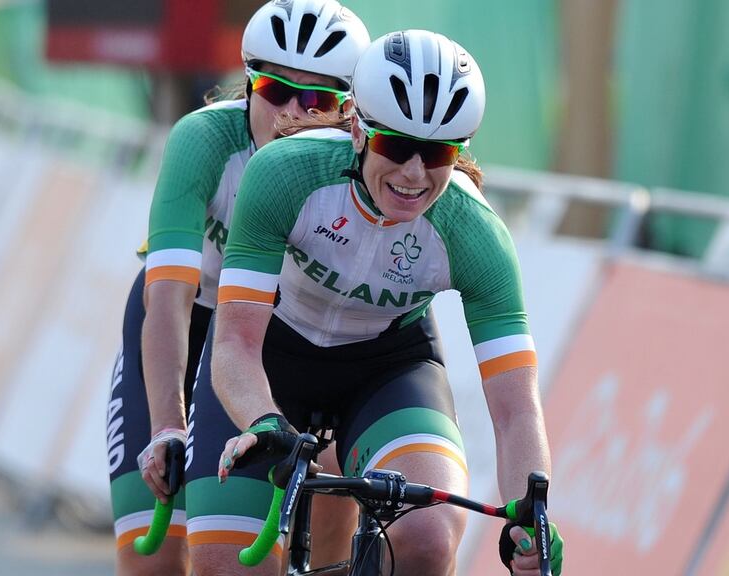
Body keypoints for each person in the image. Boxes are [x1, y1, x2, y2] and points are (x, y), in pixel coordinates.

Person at [190, 30, 564, 575]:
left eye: (437, 152)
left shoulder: (474, 232)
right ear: (360, 129)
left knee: (430, 538)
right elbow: (234, 343)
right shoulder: (286, 173)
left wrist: (531, 520)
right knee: (229, 566)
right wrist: (262, 421)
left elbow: (515, 410)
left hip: (386, 369)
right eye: (396, 146)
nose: (414, 174)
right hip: (269, 358)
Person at [105, 2, 369, 575]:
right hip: (193, 321)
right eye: (276, 90)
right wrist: (167, 427)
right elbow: (168, 296)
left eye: (318, 99)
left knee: (333, 496)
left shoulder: (356, 164)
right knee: (153, 560)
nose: (291, 113)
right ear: (249, 84)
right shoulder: (204, 140)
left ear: (349, 108)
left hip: (278, 340)